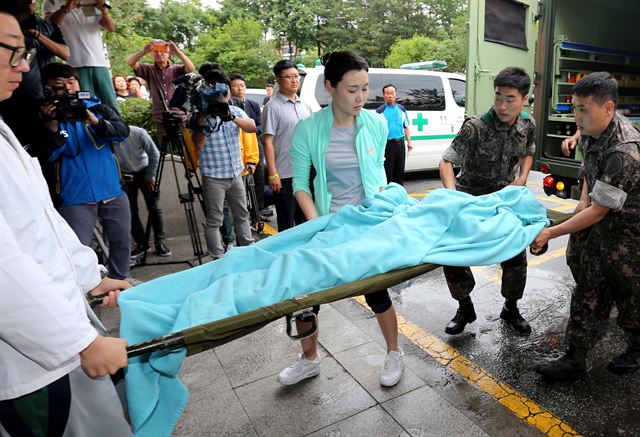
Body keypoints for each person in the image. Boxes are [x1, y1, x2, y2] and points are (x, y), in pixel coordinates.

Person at [0, 11, 131, 436]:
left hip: (60, 331)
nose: (23, 65)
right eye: (12, 51)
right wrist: (79, 343)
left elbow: (40, 226)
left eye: (25, 53)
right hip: (33, 362)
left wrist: (90, 276)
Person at [288, 51, 404, 387]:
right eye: (352, 90)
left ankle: (394, 353)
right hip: (326, 223)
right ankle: (309, 358)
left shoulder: (376, 123)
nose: (361, 98)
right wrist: (317, 225)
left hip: (367, 222)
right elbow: (300, 185)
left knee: (377, 291)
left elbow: (377, 174)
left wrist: (381, 210)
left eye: (366, 89)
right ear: (330, 87)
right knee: (304, 294)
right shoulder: (308, 130)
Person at [532, 72, 640, 381]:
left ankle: (636, 347)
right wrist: (580, 207)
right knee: (588, 289)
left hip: (631, 234)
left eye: (584, 109)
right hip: (604, 225)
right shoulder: (593, 130)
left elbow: (598, 211)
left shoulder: (624, 151)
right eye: (574, 108)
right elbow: (589, 182)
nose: (577, 117)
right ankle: (575, 358)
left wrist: (553, 231)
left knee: (630, 293)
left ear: (607, 108)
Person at [438, 66, 536, 336]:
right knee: (452, 252)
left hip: (504, 199)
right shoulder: (476, 127)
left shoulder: (527, 124)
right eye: (498, 97)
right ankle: (464, 306)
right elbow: (446, 162)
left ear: (524, 98)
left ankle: (511, 307)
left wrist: (523, 177)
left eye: (510, 99)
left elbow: (528, 151)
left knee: (515, 251)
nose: (502, 105)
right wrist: (453, 195)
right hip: (470, 197)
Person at [38, 62, 132, 281]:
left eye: (71, 82)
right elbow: (47, 154)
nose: (68, 89)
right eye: (60, 86)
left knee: (121, 240)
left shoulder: (98, 108)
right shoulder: (48, 118)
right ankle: (86, 289)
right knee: (78, 248)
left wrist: (94, 121)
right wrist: (53, 127)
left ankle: (121, 281)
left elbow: (121, 132)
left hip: (112, 189)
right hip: (75, 195)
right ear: (49, 89)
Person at [190, 69, 256, 259]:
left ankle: (247, 250)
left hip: (236, 173)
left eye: (223, 93)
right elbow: (198, 143)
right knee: (215, 220)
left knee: (242, 215)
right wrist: (203, 120)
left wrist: (231, 117)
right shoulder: (201, 116)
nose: (221, 97)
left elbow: (251, 128)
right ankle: (217, 257)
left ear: (228, 94)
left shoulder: (235, 111)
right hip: (213, 177)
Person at [0, 0, 68, 150]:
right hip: (16, 102)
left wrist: (37, 35)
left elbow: (65, 54)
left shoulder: (48, 26)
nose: (25, 66)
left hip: (37, 98)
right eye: (15, 53)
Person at [262, 60, 312, 231]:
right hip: (284, 175)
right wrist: (273, 173)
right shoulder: (272, 107)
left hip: (305, 172)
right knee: (286, 221)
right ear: (278, 80)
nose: (294, 80)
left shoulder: (305, 106)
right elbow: (267, 141)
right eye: (288, 77)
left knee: (306, 219)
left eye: (296, 76)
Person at [43, 0, 119, 110]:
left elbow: (111, 28)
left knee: (110, 104)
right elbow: (49, 24)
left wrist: (103, 10)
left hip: (100, 64)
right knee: (84, 102)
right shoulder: (52, 2)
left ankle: (117, 126)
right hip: (75, 65)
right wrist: (67, 7)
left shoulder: (92, 1)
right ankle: (88, 127)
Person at [112, 125, 172, 258]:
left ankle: (159, 242)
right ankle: (141, 244)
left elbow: (154, 153)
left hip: (145, 170)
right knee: (130, 210)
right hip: (125, 174)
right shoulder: (106, 136)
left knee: (154, 207)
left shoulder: (138, 133)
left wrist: (150, 176)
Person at [126, 39, 195, 141]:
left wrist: (178, 52)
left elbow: (191, 69)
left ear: (168, 54)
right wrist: (143, 52)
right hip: (160, 116)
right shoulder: (148, 69)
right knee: (166, 151)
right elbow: (130, 62)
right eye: (155, 51)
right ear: (151, 54)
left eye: (162, 51)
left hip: (180, 114)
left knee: (187, 147)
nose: (159, 53)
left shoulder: (176, 69)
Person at [376, 83, 413, 185]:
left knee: (400, 171)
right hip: (387, 145)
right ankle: (388, 195)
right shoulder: (380, 111)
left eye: (392, 93)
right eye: (387, 93)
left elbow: (406, 127)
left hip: (400, 143)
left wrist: (409, 142)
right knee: (388, 171)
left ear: (396, 94)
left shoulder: (401, 109)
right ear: (384, 95)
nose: (390, 95)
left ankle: (399, 192)